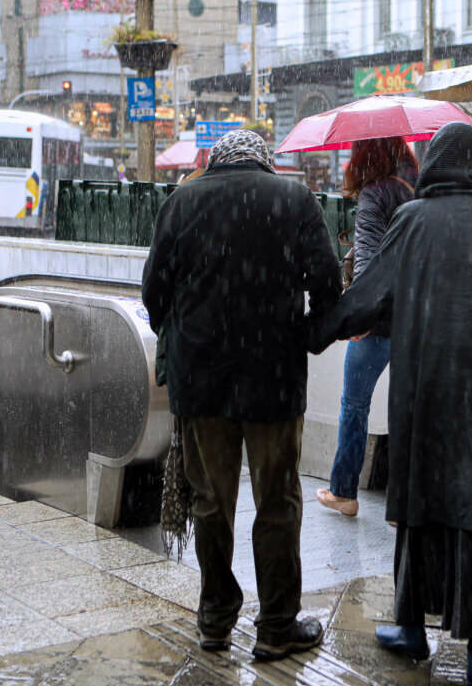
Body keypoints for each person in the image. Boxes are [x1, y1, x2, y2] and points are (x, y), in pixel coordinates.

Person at [309, 122, 472, 686]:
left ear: (434, 168)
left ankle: (412, 629)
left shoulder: (412, 221)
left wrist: (317, 329)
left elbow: (369, 294)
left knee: (422, 509)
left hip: (426, 394)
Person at [141, 129, 341, 660]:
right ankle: (276, 626)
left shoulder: (183, 200)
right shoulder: (293, 199)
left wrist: (185, 338)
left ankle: (215, 619)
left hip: (201, 381)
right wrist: (306, 336)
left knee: (212, 502)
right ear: (263, 161)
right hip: (272, 378)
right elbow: (327, 282)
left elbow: (154, 292)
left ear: (217, 161)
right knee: (277, 501)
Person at [316, 137, 416, 518]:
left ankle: (344, 492)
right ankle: (409, 500)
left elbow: (368, 263)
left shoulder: (375, 194)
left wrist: (360, 316)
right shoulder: (417, 190)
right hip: (414, 316)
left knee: (354, 404)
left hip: (379, 322)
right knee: (412, 407)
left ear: (363, 157)